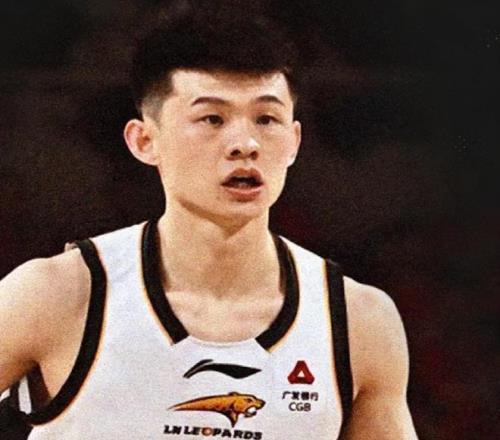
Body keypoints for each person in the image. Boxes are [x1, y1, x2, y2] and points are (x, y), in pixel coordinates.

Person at [0, 2, 418, 439]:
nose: (245, 143)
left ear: (294, 141)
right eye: (212, 118)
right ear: (144, 140)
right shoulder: (56, 296)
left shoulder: (357, 321)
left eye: (266, 118)